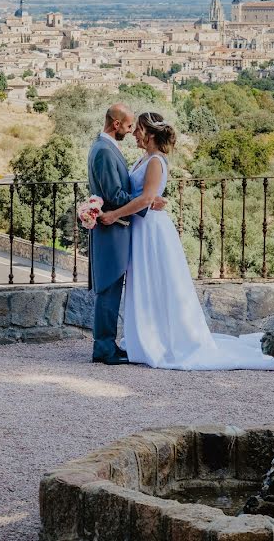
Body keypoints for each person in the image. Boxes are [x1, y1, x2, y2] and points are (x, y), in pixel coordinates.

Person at [99, 112, 274, 370]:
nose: (134, 134)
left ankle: (162, 340)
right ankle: (149, 336)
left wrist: (113, 215)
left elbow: (145, 199)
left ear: (150, 134)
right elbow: (143, 195)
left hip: (151, 229)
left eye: (139, 129)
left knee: (157, 281)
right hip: (141, 227)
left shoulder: (155, 161)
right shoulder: (145, 159)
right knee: (147, 282)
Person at [87, 104, 166, 365]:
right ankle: (104, 349)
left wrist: (147, 199)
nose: (132, 131)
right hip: (113, 228)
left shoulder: (107, 148)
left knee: (112, 287)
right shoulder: (105, 151)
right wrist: (146, 200)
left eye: (136, 127)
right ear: (116, 124)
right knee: (109, 287)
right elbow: (114, 195)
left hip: (119, 227)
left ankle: (109, 344)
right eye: (130, 126)